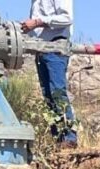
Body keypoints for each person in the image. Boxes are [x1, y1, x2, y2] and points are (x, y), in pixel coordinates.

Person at [21, 0, 77, 147]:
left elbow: (67, 18)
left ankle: (69, 138)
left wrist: (37, 22)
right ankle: (58, 139)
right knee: (48, 96)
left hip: (56, 48)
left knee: (57, 92)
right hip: (42, 49)